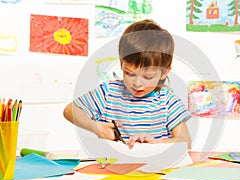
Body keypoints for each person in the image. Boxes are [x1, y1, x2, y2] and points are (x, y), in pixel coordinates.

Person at [63, 19, 192, 149]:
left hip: (154, 168)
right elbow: (70, 111)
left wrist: (154, 143)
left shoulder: (167, 101)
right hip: (113, 166)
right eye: (129, 73)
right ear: (121, 64)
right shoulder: (108, 93)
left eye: (148, 77)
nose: (137, 83)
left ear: (164, 73)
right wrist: (97, 128)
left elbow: (185, 141)